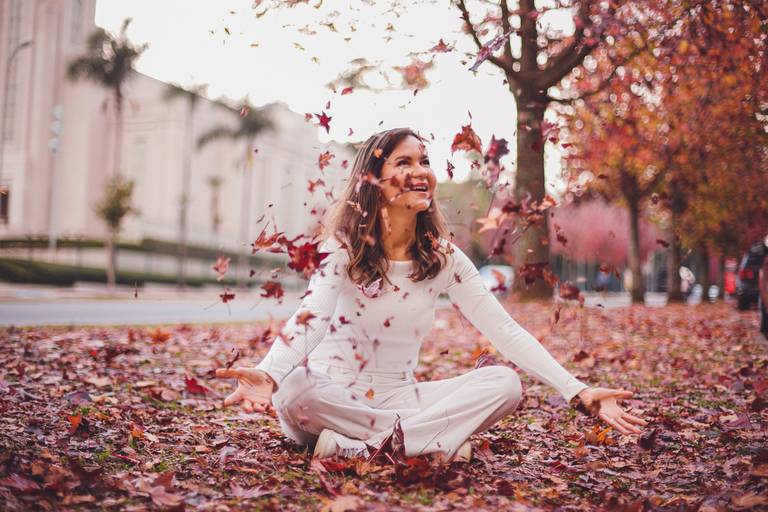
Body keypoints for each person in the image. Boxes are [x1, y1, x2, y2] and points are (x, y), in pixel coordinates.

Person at [216, 128, 648, 463]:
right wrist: (270, 374)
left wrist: (578, 390)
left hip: (402, 396)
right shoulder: (342, 248)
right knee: (297, 388)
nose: (421, 170)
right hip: (332, 397)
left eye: (424, 160)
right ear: (373, 178)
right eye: (404, 161)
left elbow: (506, 331)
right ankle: (425, 442)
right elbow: (310, 317)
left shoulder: (443, 258)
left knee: (504, 384)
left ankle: (363, 449)